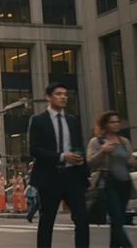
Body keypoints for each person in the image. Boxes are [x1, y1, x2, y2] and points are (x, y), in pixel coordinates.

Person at [28, 82, 90, 248]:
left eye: (65, 94)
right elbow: (34, 149)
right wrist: (62, 157)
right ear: (49, 97)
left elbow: (79, 146)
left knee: (82, 220)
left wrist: (85, 174)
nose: (63, 97)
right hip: (49, 177)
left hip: (73, 177)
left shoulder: (73, 120)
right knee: (47, 221)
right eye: (59, 94)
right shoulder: (38, 120)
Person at [87, 111, 137, 248]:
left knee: (118, 221)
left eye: (117, 122)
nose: (116, 124)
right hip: (108, 182)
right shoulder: (97, 141)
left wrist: (133, 162)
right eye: (112, 122)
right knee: (115, 218)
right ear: (105, 124)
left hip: (125, 182)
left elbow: (131, 160)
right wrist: (102, 151)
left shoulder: (124, 141)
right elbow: (90, 161)